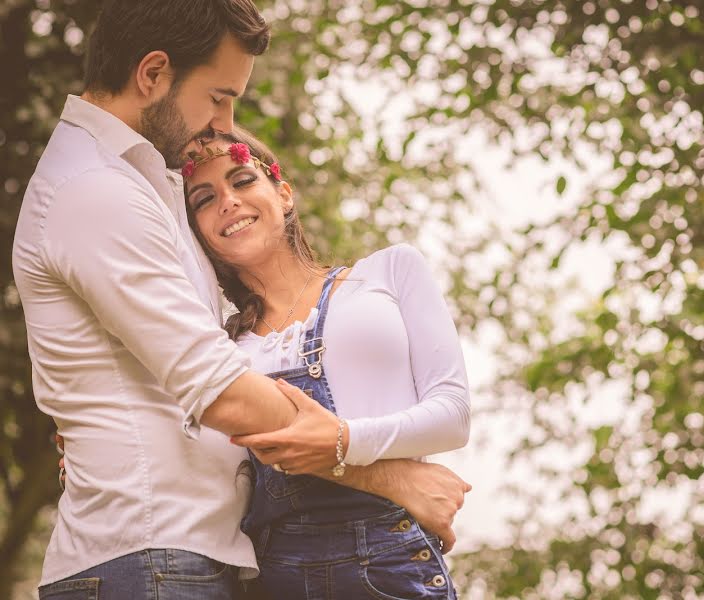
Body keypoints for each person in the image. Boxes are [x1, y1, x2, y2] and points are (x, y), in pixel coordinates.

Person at [13, 1, 470, 598]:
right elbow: (221, 391)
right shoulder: (95, 190)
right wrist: (394, 478)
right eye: (219, 97)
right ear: (152, 74)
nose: (225, 124)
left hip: (193, 553)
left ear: (284, 193)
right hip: (149, 555)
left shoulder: (142, 182)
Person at [181, 126, 470, 598]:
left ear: (285, 194)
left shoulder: (389, 273)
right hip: (272, 574)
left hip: (392, 564)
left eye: (242, 180)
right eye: (204, 198)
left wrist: (343, 440)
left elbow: (453, 415)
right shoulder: (218, 348)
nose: (228, 201)